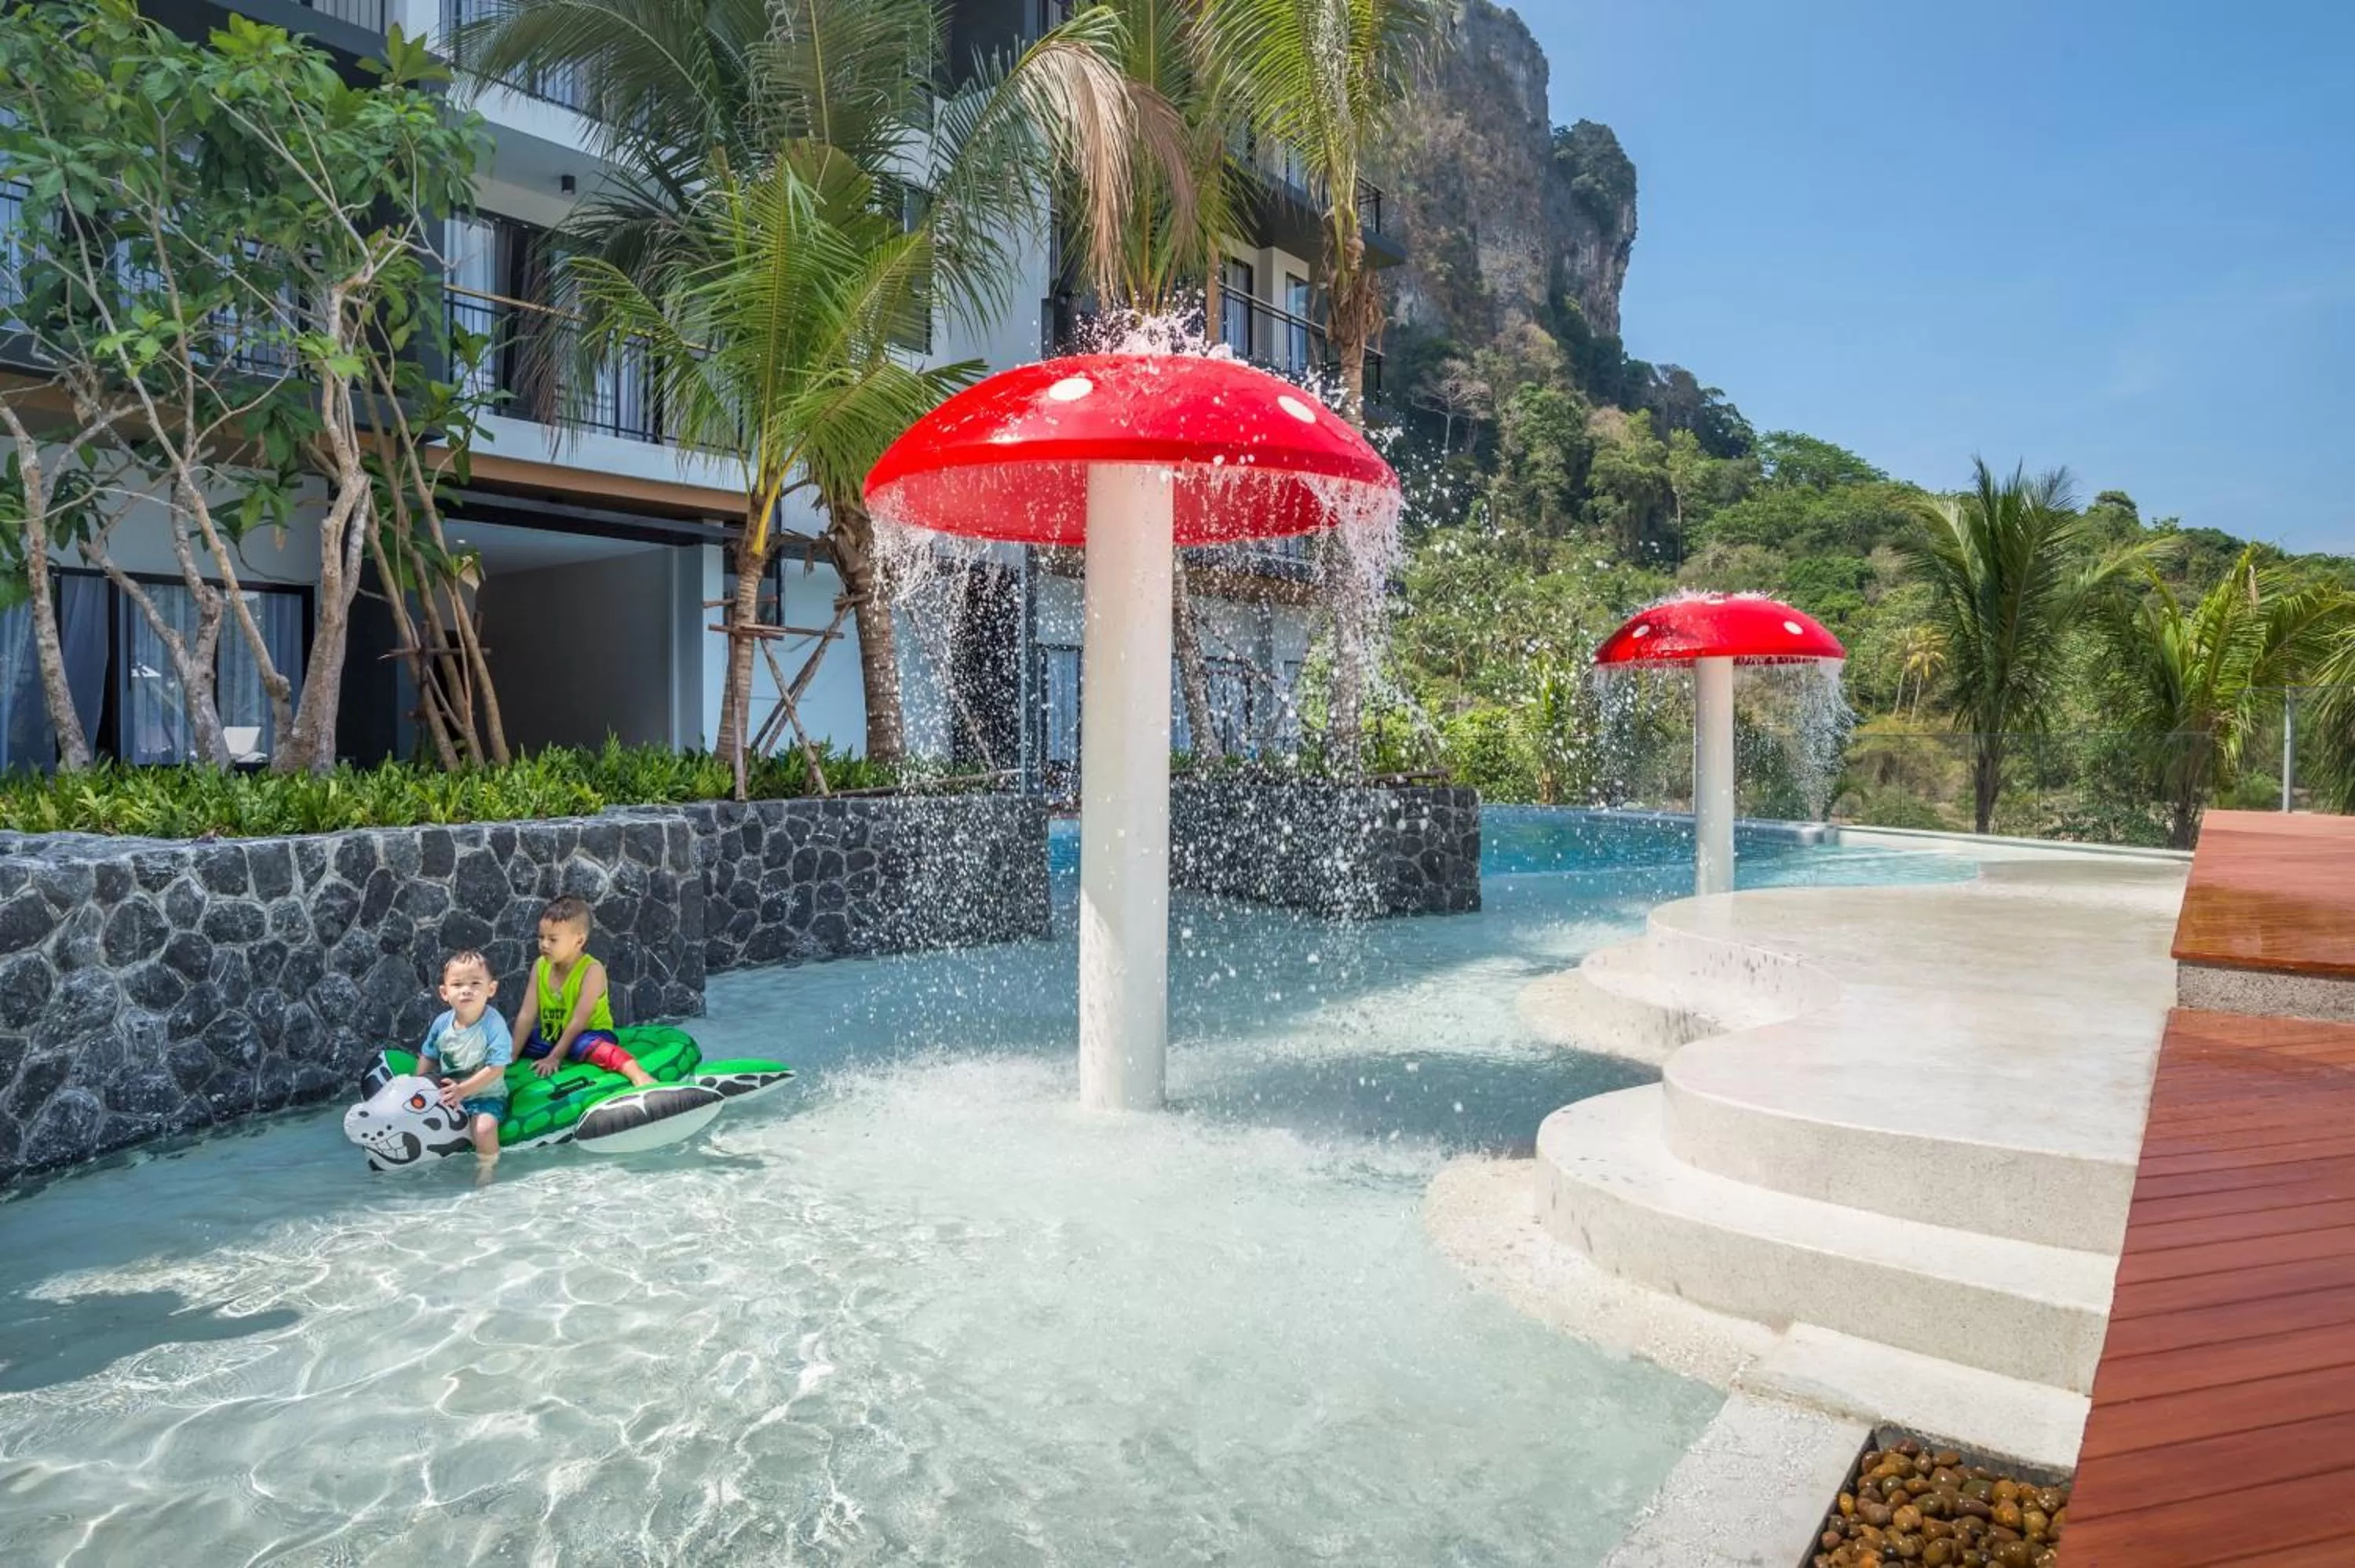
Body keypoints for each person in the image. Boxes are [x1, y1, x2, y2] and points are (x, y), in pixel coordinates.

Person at [519, 895, 655, 1087]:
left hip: (589, 1033)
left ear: (579, 940)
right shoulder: (539, 966)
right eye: (541, 937)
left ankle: (638, 1075)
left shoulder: (592, 970)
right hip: (554, 1034)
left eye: (553, 939)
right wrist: (509, 1057)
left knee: (581, 1045)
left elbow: (579, 1021)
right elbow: (527, 1014)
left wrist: (554, 1057)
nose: (544, 945)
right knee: (526, 1038)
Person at [418, 949, 515, 1169]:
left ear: (491, 989)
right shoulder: (442, 1024)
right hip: (449, 1094)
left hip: (486, 1095)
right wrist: (417, 1085)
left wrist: (463, 1090)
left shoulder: (493, 1024)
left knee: (484, 1129)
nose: (466, 991)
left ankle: (487, 1172)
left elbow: (496, 1068)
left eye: (475, 983)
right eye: (457, 984)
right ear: (444, 993)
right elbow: (429, 1056)